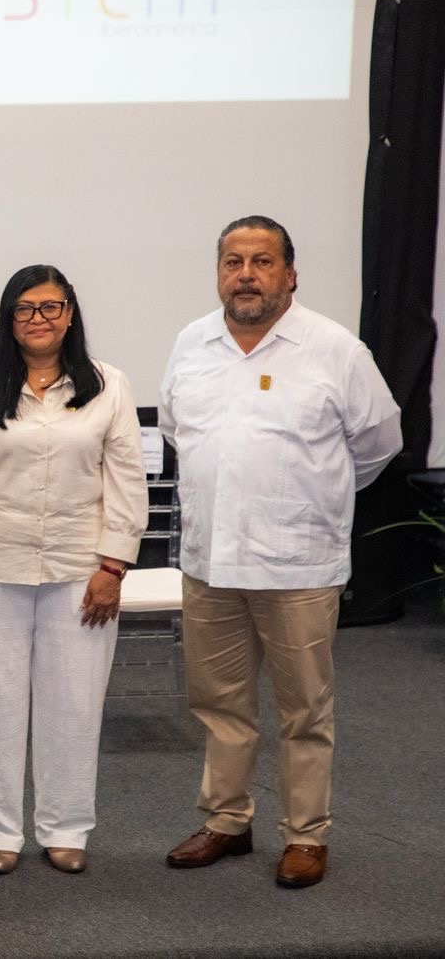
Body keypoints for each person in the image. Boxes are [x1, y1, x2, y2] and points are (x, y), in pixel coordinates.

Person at [159, 215, 401, 888]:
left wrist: (314, 495)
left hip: (297, 564)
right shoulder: (192, 343)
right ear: (218, 273)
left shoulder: (335, 350)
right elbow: (177, 431)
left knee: (304, 711)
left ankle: (305, 834)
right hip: (211, 562)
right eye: (233, 262)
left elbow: (378, 443)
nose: (246, 275)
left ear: (290, 274)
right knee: (220, 705)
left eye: (262, 262)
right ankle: (226, 820)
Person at [0, 264, 147, 876]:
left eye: (51, 307)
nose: (39, 319)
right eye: (25, 308)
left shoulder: (108, 385)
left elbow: (126, 479)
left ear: (70, 313)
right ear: (9, 318)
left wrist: (113, 566)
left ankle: (66, 828)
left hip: (80, 570)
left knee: (75, 707)